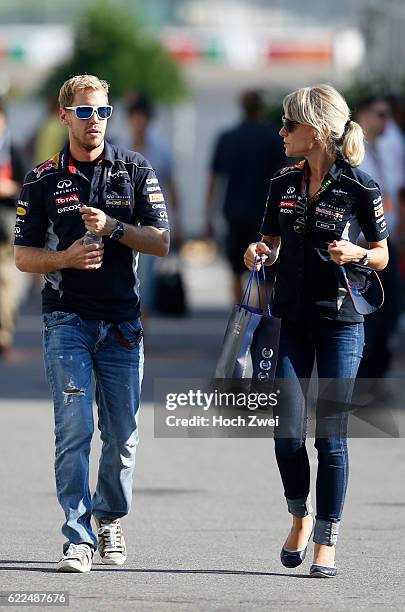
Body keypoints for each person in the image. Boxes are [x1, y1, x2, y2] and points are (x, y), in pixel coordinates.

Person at [14, 75, 170, 573]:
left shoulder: (134, 169)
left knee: (122, 435)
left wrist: (115, 228)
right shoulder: (42, 178)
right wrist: (64, 258)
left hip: (123, 324)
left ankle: (109, 517)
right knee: (75, 429)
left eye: (102, 112)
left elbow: (162, 241)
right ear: (65, 116)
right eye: (85, 113)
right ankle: (77, 536)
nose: (95, 121)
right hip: (67, 322)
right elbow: (22, 257)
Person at [244, 84, 389, 577]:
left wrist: (358, 254)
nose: (281, 131)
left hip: (342, 322)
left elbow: (383, 254)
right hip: (290, 318)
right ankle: (299, 515)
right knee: (285, 432)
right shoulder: (282, 183)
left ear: (319, 131)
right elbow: (268, 241)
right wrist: (258, 252)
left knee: (331, 435)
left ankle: (327, 536)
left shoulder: (360, 187)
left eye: (290, 124)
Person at [205, 90, 285, 304]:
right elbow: (283, 178)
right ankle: (261, 324)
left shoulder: (228, 137)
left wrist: (208, 215)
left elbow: (214, 178)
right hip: (264, 212)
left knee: (235, 269)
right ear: (261, 109)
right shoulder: (272, 138)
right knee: (264, 273)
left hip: (234, 210)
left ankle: (240, 317)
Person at [355, 96, 403, 388]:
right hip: (362, 247)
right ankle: (361, 375)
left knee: (392, 307)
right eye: (380, 114)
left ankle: (375, 372)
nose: (386, 121)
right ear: (362, 115)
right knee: (369, 312)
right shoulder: (354, 154)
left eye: (388, 115)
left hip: (386, 244)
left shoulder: (386, 149)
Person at [125, 93, 181, 318]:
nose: (139, 122)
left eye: (143, 117)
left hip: (150, 224)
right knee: (125, 277)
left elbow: (172, 187)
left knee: (144, 280)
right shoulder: (118, 148)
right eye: (135, 117)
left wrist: (177, 222)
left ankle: (140, 332)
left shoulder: (162, 152)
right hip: (122, 222)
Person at [0, 99, 25, 358]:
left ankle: (4, 334)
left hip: (5, 229)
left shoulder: (13, 151)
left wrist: (9, 189)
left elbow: (27, 187)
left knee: (6, 285)